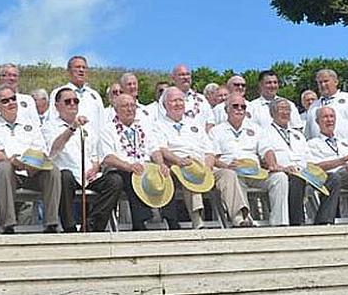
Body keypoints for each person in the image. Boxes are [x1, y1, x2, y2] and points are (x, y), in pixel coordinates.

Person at [156, 87, 246, 229]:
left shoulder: (195, 124)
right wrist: (179, 161)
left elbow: (210, 151)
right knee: (191, 171)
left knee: (228, 173)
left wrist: (208, 166)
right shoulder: (158, 125)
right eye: (173, 101)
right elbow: (162, 149)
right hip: (178, 166)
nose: (178, 104)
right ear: (165, 104)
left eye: (180, 100)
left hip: (203, 165)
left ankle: (238, 217)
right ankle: (197, 219)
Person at [45, 87, 124, 232]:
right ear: (57, 106)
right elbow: (53, 150)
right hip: (68, 175)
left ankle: (92, 225)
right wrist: (72, 128)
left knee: (115, 181)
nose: (73, 104)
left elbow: (96, 155)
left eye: (75, 101)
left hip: (89, 175)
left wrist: (95, 167)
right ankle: (69, 227)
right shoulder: (49, 126)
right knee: (64, 176)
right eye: (68, 101)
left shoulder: (87, 127)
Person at [0, 84, 62, 234]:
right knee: (4, 168)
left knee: (53, 170)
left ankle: (52, 223)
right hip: (9, 173)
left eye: (13, 98)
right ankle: (8, 224)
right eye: (5, 101)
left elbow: (41, 151)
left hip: (32, 170)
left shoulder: (30, 124)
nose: (11, 103)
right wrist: (11, 160)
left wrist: (31, 164)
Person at [100, 93, 178, 230]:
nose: (130, 109)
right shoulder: (108, 129)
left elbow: (154, 149)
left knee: (165, 173)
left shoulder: (143, 127)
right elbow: (108, 158)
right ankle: (140, 223)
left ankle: (172, 220)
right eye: (125, 106)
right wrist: (128, 166)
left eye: (132, 105)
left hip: (145, 168)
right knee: (133, 175)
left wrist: (161, 164)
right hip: (120, 170)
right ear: (116, 110)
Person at [209, 93, 288, 226]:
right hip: (232, 171)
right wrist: (226, 166)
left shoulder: (256, 129)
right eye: (235, 106)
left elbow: (267, 150)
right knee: (233, 177)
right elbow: (213, 158)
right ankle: (244, 219)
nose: (240, 109)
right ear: (226, 109)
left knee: (280, 177)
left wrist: (273, 164)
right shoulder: (216, 131)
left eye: (243, 107)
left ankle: (280, 222)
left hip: (256, 172)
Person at [263, 98, 316, 225]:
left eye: (288, 109)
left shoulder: (298, 135)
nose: (285, 113)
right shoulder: (265, 133)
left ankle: (324, 221)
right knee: (296, 179)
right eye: (281, 109)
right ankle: (297, 223)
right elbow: (267, 157)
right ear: (272, 113)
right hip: (283, 173)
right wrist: (283, 168)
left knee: (332, 179)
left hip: (305, 173)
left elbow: (309, 160)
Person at [305, 69, 348, 140]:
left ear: (336, 82)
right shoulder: (313, 106)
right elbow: (308, 133)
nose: (323, 85)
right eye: (320, 82)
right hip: (319, 149)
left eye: (326, 81)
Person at [48, 56, 104, 128]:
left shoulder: (95, 95)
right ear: (69, 71)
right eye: (77, 67)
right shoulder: (58, 93)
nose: (81, 70)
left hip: (93, 138)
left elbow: (102, 122)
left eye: (84, 67)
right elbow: (53, 119)